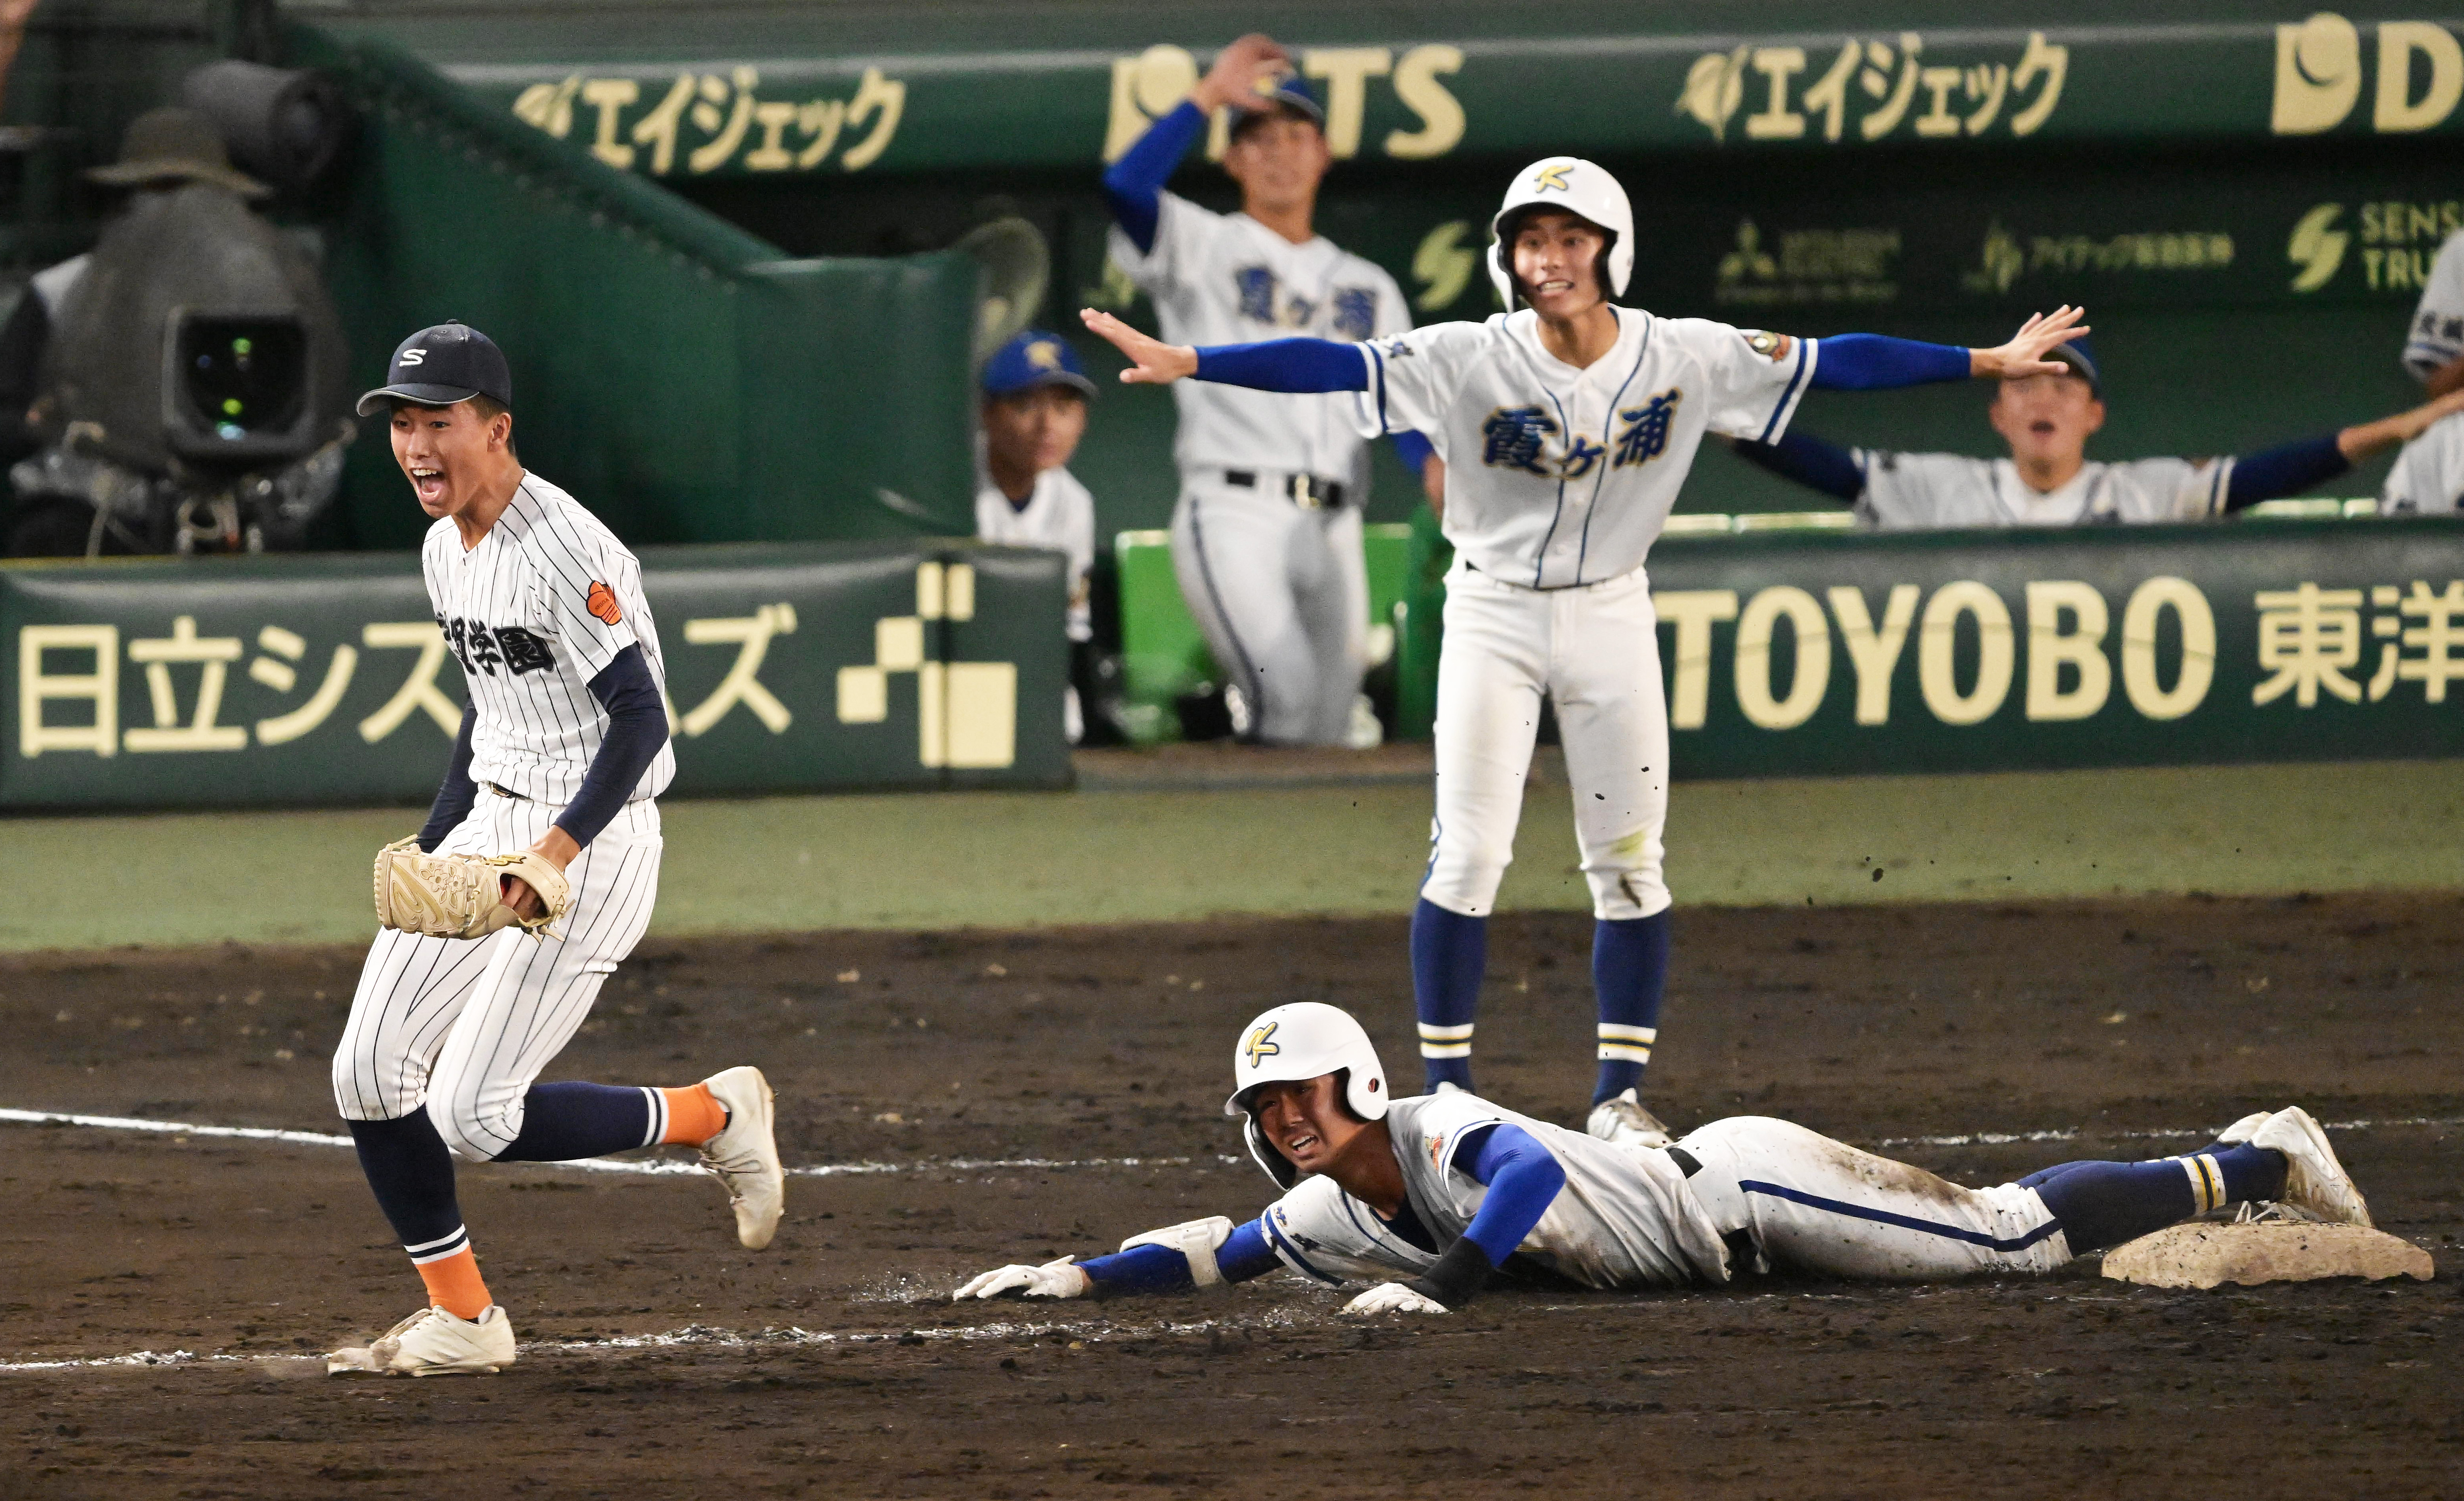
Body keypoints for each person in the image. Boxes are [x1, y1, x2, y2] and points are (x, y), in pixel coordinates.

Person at [1079, 156, 2089, 1148]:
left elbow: (1838, 356)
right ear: (1505, 258)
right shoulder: (1470, 352)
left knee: (1631, 861)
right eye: (1529, 240)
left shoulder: (1684, 351)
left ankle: (1619, 1093)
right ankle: (1451, 1093)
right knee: (1469, 852)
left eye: (1570, 238)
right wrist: (1195, 361)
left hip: (1611, 611)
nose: (1548, 257)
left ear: (1612, 250)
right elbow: (1335, 364)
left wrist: (1983, 362)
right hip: (1492, 610)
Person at [325, 323, 784, 1378]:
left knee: (473, 1117)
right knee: (368, 1069)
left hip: (597, 836)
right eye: (401, 423)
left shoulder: (566, 549)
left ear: (496, 428)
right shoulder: (444, 547)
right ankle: (465, 1320)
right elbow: (484, 706)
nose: (414, 445)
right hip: (495, 823)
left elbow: (641, 722)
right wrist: (441, 842)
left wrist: (554, 854)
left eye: (437, 421)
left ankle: (714, 1113)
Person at [953, 1002, 2372, 1313]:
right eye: (1263, 1113)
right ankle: (2244, 1161)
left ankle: (2250, 1157)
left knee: (2006, 1235)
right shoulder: (1330, 1212)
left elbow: (1512, 1183)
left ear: (1361, 1083)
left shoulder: (1431, 1130)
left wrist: (1446, 1281)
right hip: (1717, 1248)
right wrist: (1074, 1273)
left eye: (1298, 1097)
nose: (1283, 1127)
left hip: (1736, 1186)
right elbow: (1219, 1246)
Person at [1102, 33, 1436, 748]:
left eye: (1295, 135)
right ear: (1230, 159)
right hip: (1233, 510)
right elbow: (1125, 187)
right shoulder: (1202, 244)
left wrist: (1430, 464)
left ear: (1323, 153)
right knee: (1282, 694)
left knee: (1329, 722)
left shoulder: (1368, 284)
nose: (1279, 152)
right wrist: (1205, 96)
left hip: (1336, 522)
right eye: (1257, 137)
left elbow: (1401, 397)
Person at [1729, 336, 2464, 527]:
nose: (2041, 398)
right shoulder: (1937, 486)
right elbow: (1818, 467)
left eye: (2063, 385)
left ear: (2093, 415)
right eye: (2022, 384)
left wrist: (2401, 426)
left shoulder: (2142, 491)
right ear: (1996, 413)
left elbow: (2267, 475)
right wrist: (1715, 416)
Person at [975, 329, 1100, 743]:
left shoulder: (1074, 505)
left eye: (1064, 408)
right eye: (1026, 405)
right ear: (987, 413)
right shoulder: (950, 486)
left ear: (1082, 421)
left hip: (1035, 679)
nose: (1048, 426)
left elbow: (1071, 629)